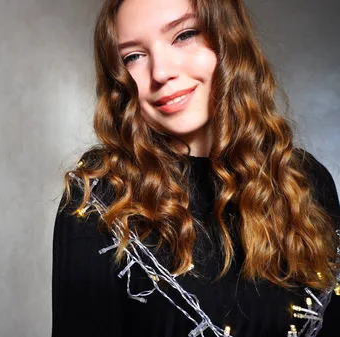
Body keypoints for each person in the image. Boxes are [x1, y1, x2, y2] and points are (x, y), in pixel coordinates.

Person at [51, 0, 340, 336]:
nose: (161, 72)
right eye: (133, 56)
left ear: (228, 40)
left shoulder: (306, 179)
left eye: (184, 35)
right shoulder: (100, 195)